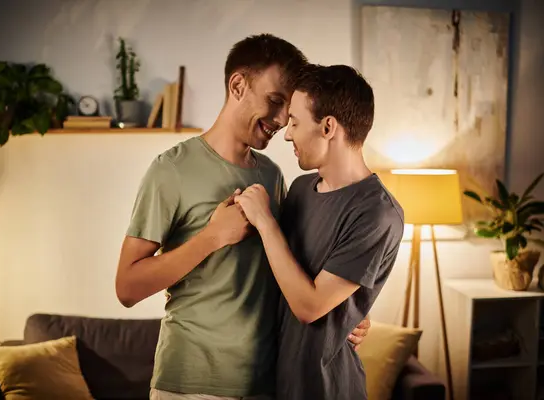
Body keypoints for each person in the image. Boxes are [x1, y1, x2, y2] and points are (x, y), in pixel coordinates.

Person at [115, 34, 370, 400]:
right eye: (274, 101)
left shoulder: (272, 175)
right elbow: (126, 287)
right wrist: (212, 237)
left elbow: (290, 273)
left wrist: (344, 315)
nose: (282, 119)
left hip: (266, 380)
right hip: (191, 382)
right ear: (238, 85)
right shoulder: (171, 170)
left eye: (288, 109)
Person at [233, 64, 405, 400]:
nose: (286, 133)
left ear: (328, 127)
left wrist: (265, 221)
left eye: (295, 122)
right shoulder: (299, 189)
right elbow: (278, 274)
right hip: (272, 383)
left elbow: (309, 306)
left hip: (326, 389)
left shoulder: (378, 213)